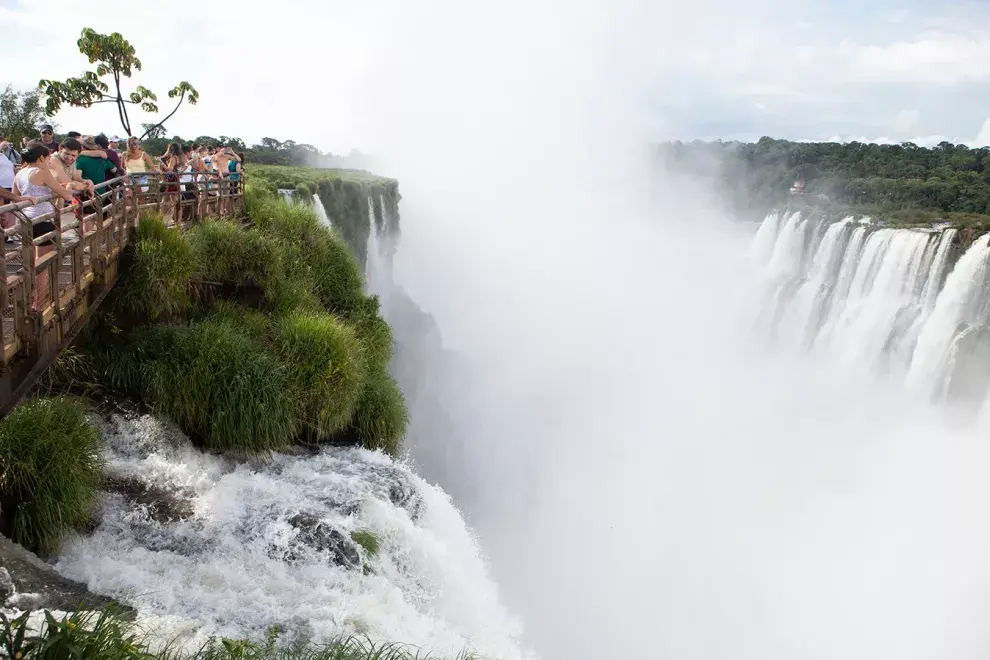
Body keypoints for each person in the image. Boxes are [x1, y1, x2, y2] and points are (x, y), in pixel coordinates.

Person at [12, 143, 75, 311]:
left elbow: (15, 198)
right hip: (43, 222)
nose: (49, 161)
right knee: (42, 267)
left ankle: (30, 300)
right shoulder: (42, 172)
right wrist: (69, 187)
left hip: (25, 222)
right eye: (48, 158)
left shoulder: (20, 173)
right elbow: (66, 195)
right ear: (41, 158)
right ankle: (40, 304)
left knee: (29, 264)